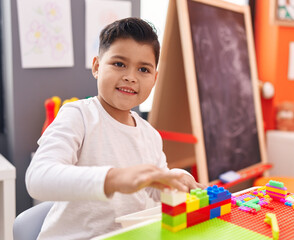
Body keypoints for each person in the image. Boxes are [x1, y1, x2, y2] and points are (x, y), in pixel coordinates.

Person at [26, 17, 204, 239]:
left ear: (155, 78)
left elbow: (152, 186)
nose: (130, 77)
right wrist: (114, 178)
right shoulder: (78, 115)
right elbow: (38, 178)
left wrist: (174, 179)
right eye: (119, 64)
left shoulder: (150, 134)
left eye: (143, 69)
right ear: (97, 67)